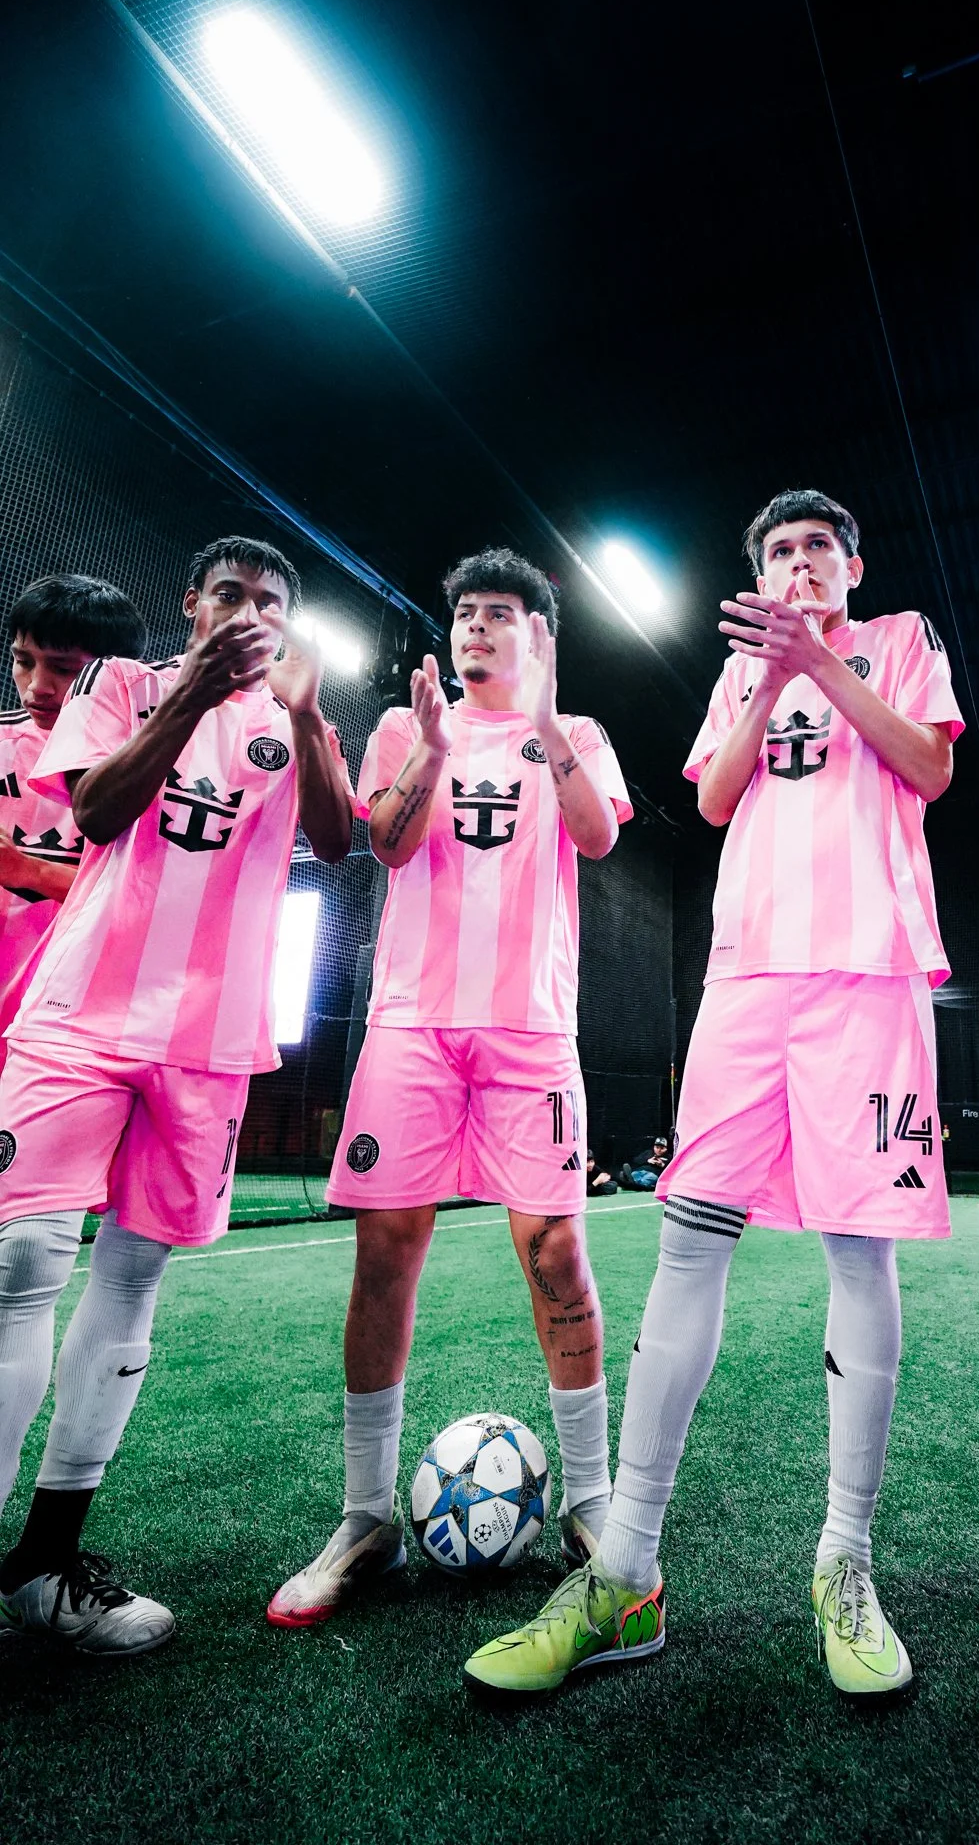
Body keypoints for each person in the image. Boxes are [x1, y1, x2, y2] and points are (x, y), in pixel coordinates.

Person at [465, 487, 962, 1699]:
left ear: (852, 558)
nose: (797, 564)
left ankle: (844, 1561)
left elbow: (931, 765)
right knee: (690, 1243)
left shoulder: (899, 637)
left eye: (814, 547)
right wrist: (769, 673)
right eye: (778, 551)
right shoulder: (742, 669)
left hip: (865, 969)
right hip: (746, 973)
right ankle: (624, 1567)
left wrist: (824, 663)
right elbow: (722, 794)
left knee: (861, 1250)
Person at [0, 536, 353, 1655]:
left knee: (132, 1275)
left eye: (270, 601)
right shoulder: (121, 683)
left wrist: (304, 719)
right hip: (81, 1012)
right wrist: (194, 687)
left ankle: (48, 1565)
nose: (249, 612)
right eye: (230, 594)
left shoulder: (298, 722)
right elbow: (97, 810)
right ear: (190, 603)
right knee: (18, 1262)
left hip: (207, 1040)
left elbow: (341, 842)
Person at [268, 547, 631, 1628]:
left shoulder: (583, 733)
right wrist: (426, 747)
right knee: (388, 1248)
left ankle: (593, 1500)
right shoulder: (396, 725)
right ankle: (365, 1515)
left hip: (530, 1026)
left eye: (500, 614)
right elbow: (384, 839)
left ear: (537, 635)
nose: (476, 628)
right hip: (413, 1024)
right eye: (465, 613)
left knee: (557, 1247)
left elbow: (598, 833)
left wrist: (555, 728)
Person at [1, 576, 147, 1070]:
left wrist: (29, 870)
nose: (37, 686)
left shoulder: (151, 773)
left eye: (62, 669)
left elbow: (142, 902)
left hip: (76, 1025)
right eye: (24, 660)